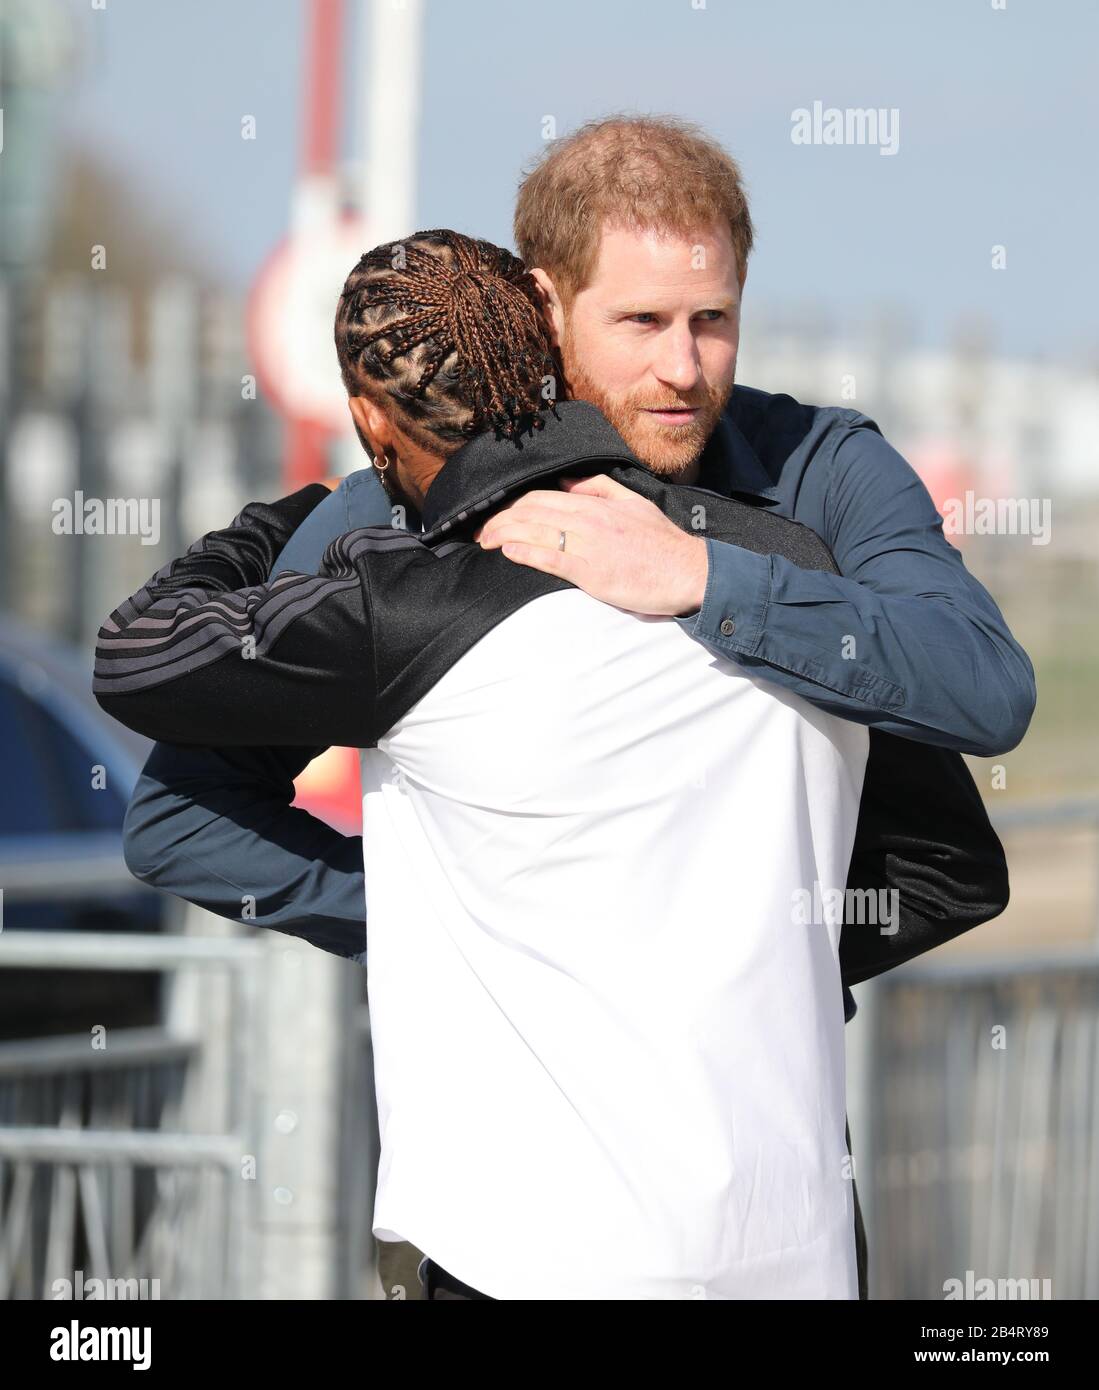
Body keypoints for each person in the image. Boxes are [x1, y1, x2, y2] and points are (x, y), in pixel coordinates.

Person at [96, 227, 1014, 1299]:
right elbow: (953, 870)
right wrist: (742, 949)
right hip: (793, 1254)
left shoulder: (399, 601)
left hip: (517, 1258)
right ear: (554, 352)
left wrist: (283, 522)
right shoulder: (796, 573)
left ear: (369, 419)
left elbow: (148, 712)